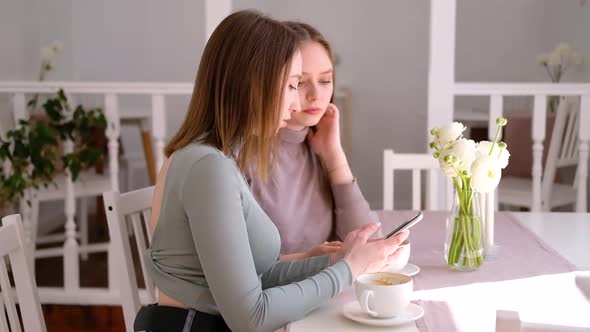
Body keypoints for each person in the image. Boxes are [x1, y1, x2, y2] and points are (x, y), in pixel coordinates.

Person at [136, 10, 409, 332]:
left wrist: (334, 261)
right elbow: (250, 318)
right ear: (252, 85)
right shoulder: (207, 168)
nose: (297, 104)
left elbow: (253, 278)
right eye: (293, 85)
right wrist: (347, 270)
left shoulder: (212, 159)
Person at [246, 22, 372, 261]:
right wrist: (310, 261)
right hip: (276, 295)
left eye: (325, 80)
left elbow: (366, 241)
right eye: (300, 82)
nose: (316, 95)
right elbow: (238, 270)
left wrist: (335, 158)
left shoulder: (319, 146)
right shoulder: (239, 155)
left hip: (327, 292)